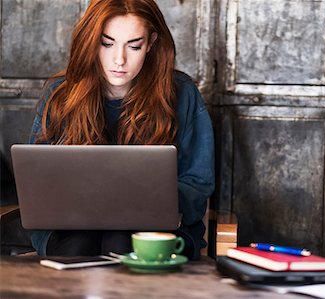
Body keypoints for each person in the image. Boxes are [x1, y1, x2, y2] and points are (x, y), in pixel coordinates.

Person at [29, 0, 214, 260]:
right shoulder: (60, 94)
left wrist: (150, 201)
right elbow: (38, 182)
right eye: (107, 43)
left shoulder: (181, 93)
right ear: (91, 41)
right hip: (70, 228)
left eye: (134, 46)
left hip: (157, 230)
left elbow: (198, 183)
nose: (119, 59)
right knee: (79, 245)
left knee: (121, 242)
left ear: (151, 43)